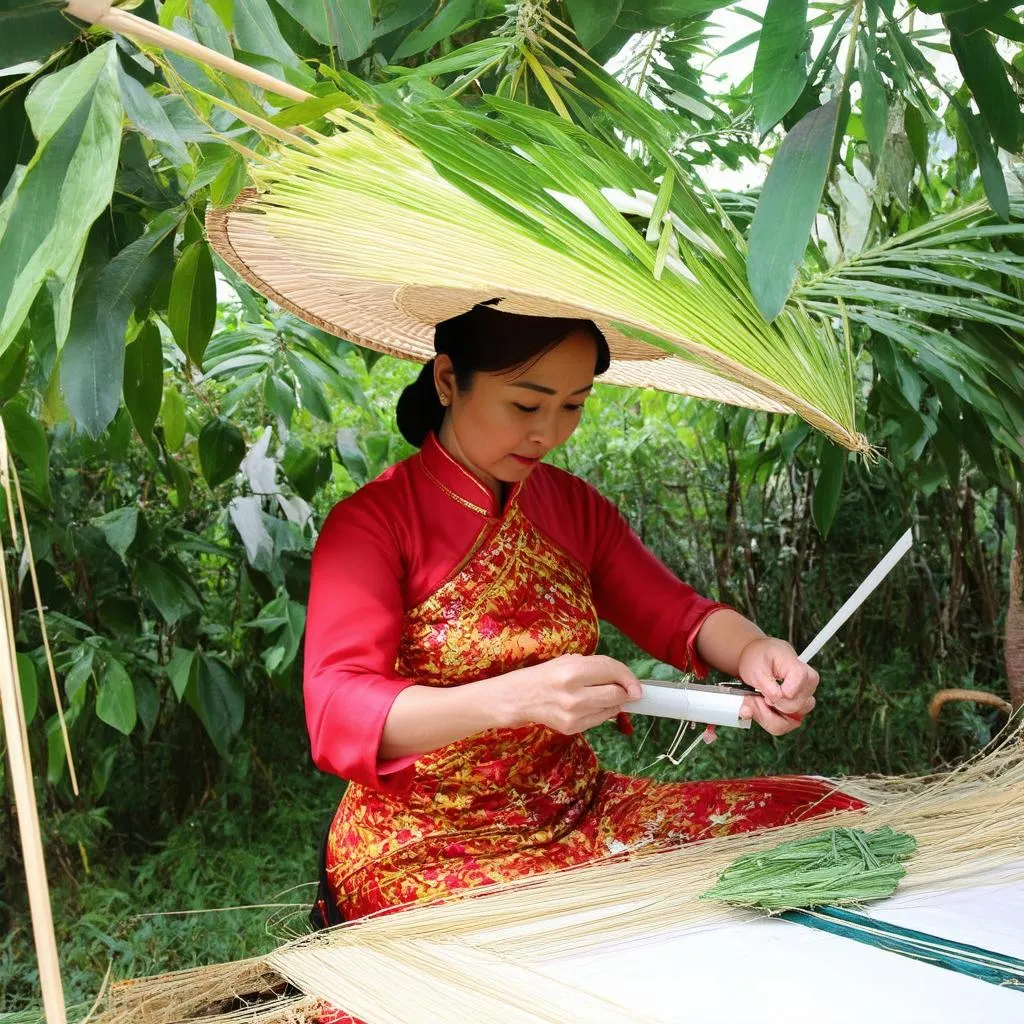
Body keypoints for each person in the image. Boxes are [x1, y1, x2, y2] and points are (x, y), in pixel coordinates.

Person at [303, 303, 861, 923]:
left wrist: (756, 652)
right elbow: (336, 710)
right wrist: (515, 698)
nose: (549, 433)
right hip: (424, 846)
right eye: (526, 404)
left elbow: (680, 614)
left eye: (573, 405)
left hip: (576, 812)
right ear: (445, 380)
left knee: (819, 818)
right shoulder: (372, 524)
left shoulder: (571, 508)